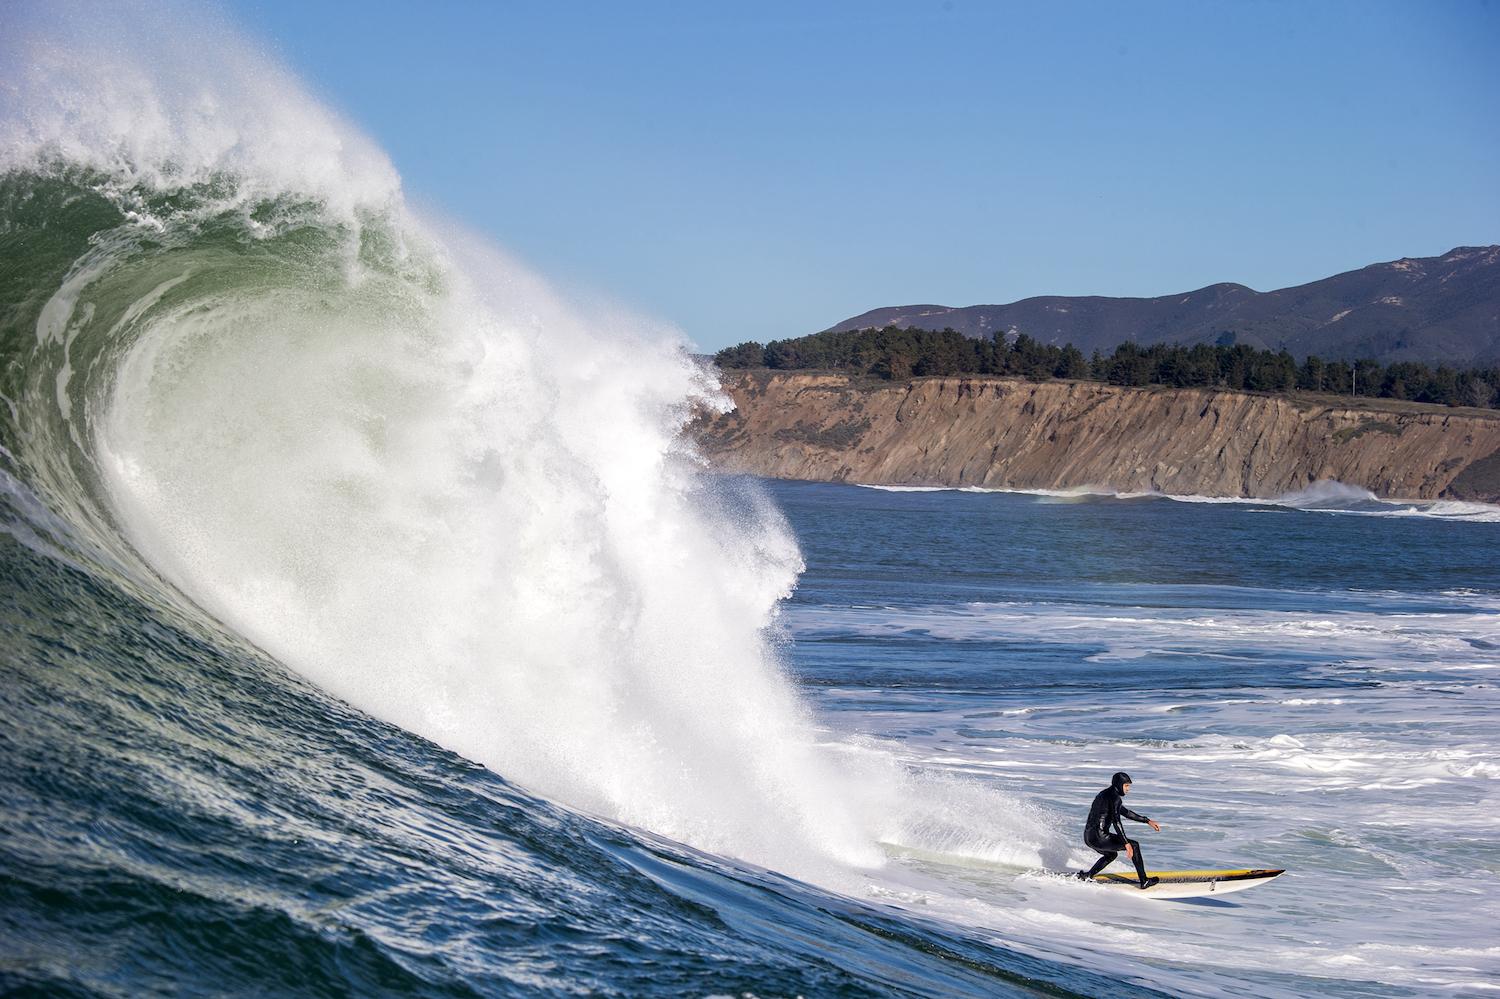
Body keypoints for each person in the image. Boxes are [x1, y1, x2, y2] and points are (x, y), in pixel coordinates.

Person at [1076, 771, 1161, 888]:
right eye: (1126, 786)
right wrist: (1126, 844)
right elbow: (1117, 822)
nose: (1128, 789)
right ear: (1119, 784)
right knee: (1134, 845)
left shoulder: (1103, 794)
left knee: (1111, 855)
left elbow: (1126, 813)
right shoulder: (1115, 799)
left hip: (1089, 837)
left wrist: (1147, 821)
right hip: (1100, 837)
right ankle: (1144, 881)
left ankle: (1089, 875)